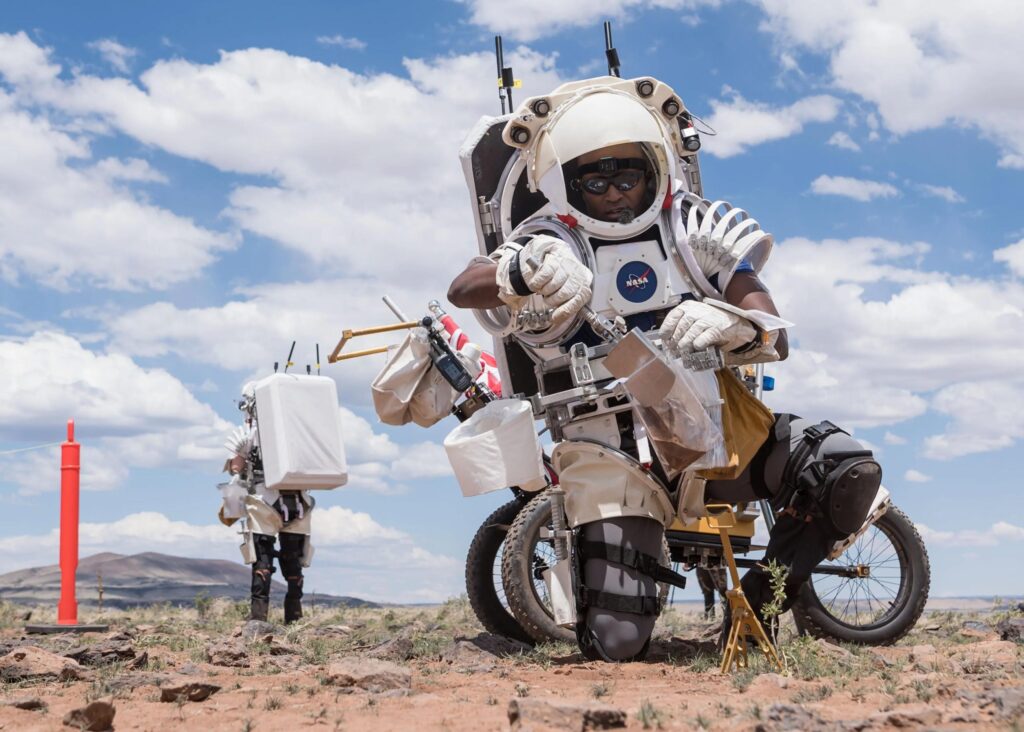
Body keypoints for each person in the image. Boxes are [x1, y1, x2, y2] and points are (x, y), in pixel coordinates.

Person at [449, 76, 881, 660]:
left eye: (626, 175)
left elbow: (772, 330)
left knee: (841, 466)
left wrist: (738, 326)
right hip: (611, 454)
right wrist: (521, 272)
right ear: (566, 184)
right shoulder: (548, 239)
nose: (613, 193)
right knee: (617, 644)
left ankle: (756, 606)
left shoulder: (692, 228)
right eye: (593, 180)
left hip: (717, 439)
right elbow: (464, 287)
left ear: (653, 167)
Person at [219, 384, 314, 624]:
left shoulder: (250, 435)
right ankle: (294, 618)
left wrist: (232, 495)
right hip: (300, 503)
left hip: (264, 503)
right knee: (294, 564)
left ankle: (259, 618)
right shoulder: (302, 432)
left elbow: (236, 468)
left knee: (262, 560)